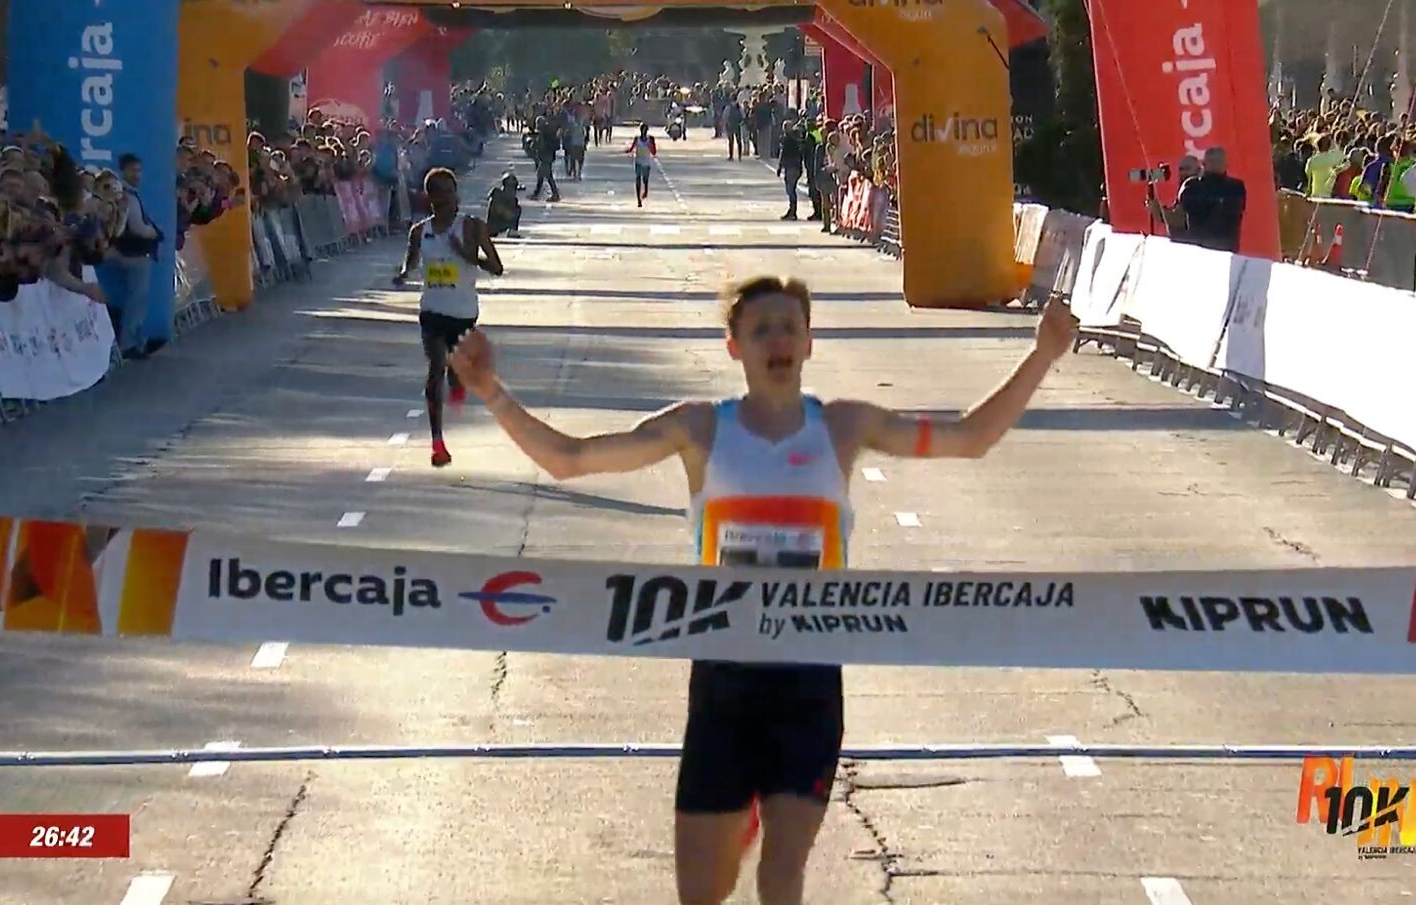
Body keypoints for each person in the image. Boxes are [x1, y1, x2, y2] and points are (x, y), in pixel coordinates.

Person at [447, 278, 1079, 905]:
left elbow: (969, 439)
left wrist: (1043, 354)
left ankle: (759, 820)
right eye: (761, 331)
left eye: (789, 328)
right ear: (735, 347)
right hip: (723, 679)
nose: (777, 340)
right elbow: (570, 458)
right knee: (703, 892)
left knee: (781, 874)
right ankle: (735, 820)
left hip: (809, 679)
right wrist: (492, 393)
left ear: (808, 343)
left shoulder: (844, 426)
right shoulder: (699, 429)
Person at [394, 168, 504, 468]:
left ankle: (457, 380)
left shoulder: (472, 227)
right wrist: (403, 274)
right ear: (430, 198)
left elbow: (497, 267)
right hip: (432, 311)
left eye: (450, 192)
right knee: (436, 367)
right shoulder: (420, 232)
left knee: (455, 370)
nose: (446, 199)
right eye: (439, 193)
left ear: (457, 194)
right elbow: (410, 263)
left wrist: (469, 257)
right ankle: (437, 443)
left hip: (463, 313)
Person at [624, 123, 658, 208]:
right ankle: (638, 199)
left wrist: (650, 146)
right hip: (638, 161)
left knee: (645, 180)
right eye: (642, 130)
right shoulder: (637, 139)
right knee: (638, 178)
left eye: (645, 130)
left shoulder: (650, 139)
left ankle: (645, 191)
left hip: (647, 162)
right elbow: (632, 148)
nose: (644, 132)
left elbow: (654, 152)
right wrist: (627, 151)